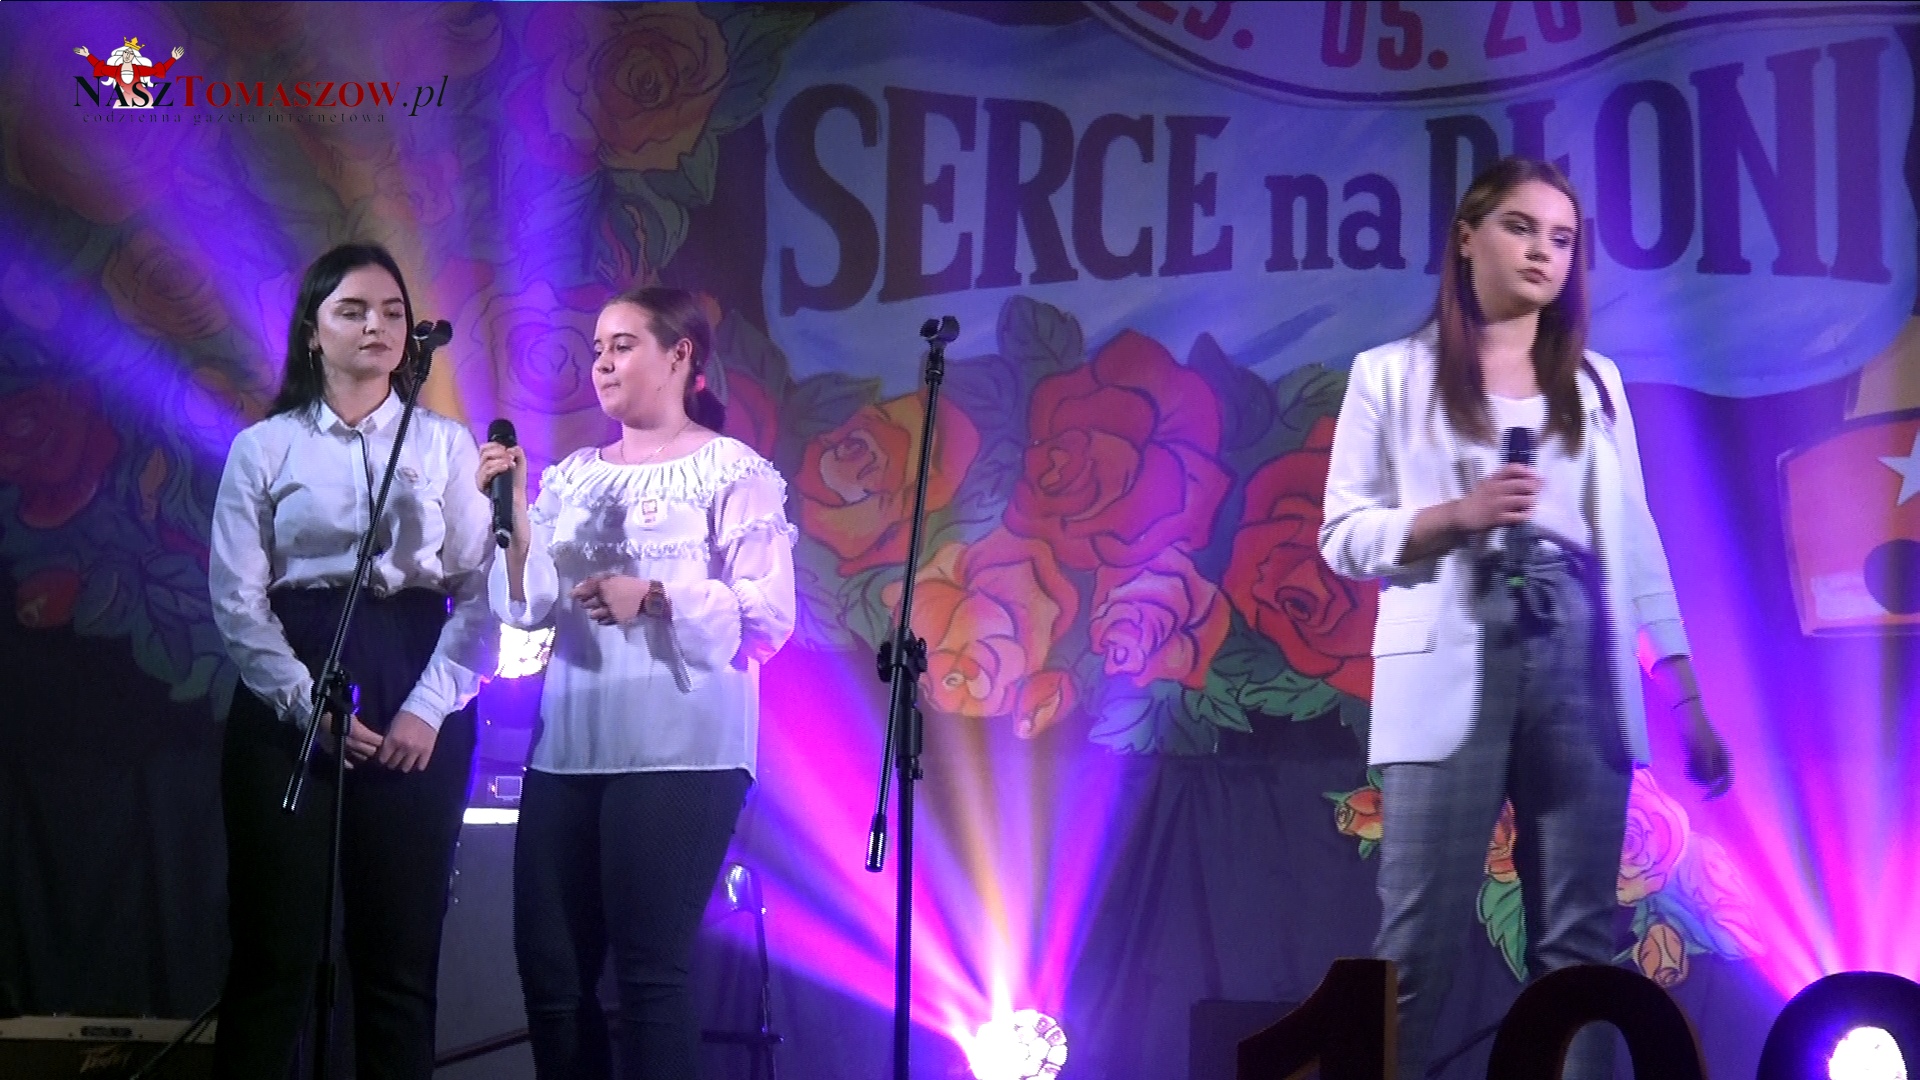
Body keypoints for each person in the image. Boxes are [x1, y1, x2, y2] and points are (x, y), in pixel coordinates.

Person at [1318, 158, 1733, 1080]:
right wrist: (1453, 516)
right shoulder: (1390, 375)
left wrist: (1686, 696)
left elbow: (1638, 550)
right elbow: (1341, 536)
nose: (1543, 251)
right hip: (1452, 651)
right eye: (1520, 227)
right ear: (1467, 237)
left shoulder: (1596, 384)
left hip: (1580, 654)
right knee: (1413, 948)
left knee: (1579, 953)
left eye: (1562, 238)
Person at [476, 285, 797, 1080]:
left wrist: (653, 596)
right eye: (597, 350)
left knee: (650, 975)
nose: (604, 363)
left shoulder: (731, 469)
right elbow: (527, 609)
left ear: (680, 355)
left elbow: (768, 616)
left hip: (680, 754)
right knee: (551, 977)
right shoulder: (576, 477)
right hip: (570, 748)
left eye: (623, 345)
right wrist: (515, 520)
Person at [208, 243, 496, 1080]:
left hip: (414, 663)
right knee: (274, 955)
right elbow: (238, 600)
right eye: (353, 310)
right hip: (294, 675)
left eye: (393, 312)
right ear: (312, 330)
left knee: (399, 962)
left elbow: (483, 593)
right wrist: (307, 706)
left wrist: (428, 708)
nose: (377, 326)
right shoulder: (265, 447)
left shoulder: (444, 445)